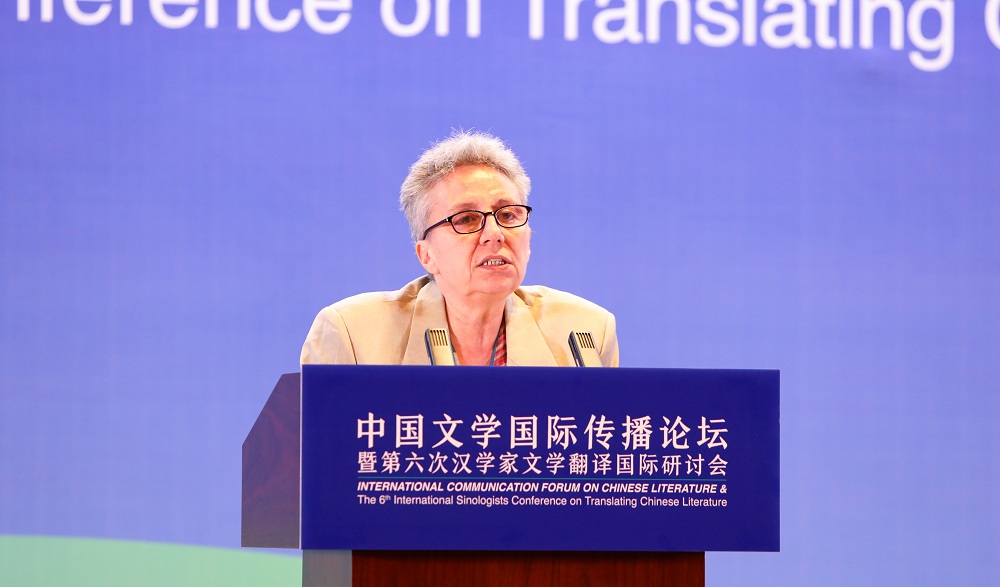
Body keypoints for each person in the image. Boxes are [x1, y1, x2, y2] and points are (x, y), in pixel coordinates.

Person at [300, 131, 618, 367]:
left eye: (508, 215)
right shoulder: (353, 334)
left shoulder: (585, 332)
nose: (494, 234)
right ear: (426, 255)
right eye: (466, 219)